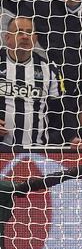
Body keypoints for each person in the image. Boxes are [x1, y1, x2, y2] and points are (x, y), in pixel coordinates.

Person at [0, 16, 63, 150]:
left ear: (35, 39)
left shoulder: (49, 69)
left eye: (29, 32)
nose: (25, 36)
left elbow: (59, 111)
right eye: (19, 32)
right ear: (7, 38)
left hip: (36, 151)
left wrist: (70, 137)